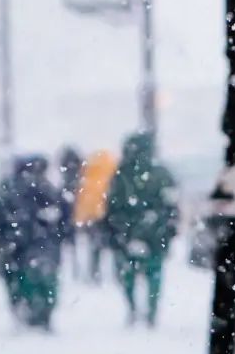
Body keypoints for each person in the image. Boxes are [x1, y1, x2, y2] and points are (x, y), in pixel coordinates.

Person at [0, 155, 72, 331]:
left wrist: (3, 237)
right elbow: (64, 215)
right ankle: (40, 316)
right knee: (44, 281)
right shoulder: (46, 188)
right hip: (39, 245)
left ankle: (27, 313)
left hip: (19, 246)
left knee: (20, 282)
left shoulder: (9, 188)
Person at [104, 132, 179, 328]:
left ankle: (135, 310)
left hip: (129, 233)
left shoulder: (121, 175)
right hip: (153, 234)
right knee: (152, 276)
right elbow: (171, 206)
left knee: (128, 276)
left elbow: (112, 207)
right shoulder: (160, 174)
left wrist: (119, 231)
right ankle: (149, 313)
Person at [75, 147, 117, 283]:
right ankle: (115, 272)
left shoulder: (88, 176)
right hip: (108, 215)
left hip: (93, 217)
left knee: (95, 246)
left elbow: (83, 199)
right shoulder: (111, 175)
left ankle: (95, 271)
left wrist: (80, 217)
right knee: (113, 244)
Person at [57, 145, 85, 274]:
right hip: (75, 203)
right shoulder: (77, 178)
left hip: (68, 207)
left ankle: (73, 269)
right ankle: (77, 269)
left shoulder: (66, 182)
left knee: (69, 239)